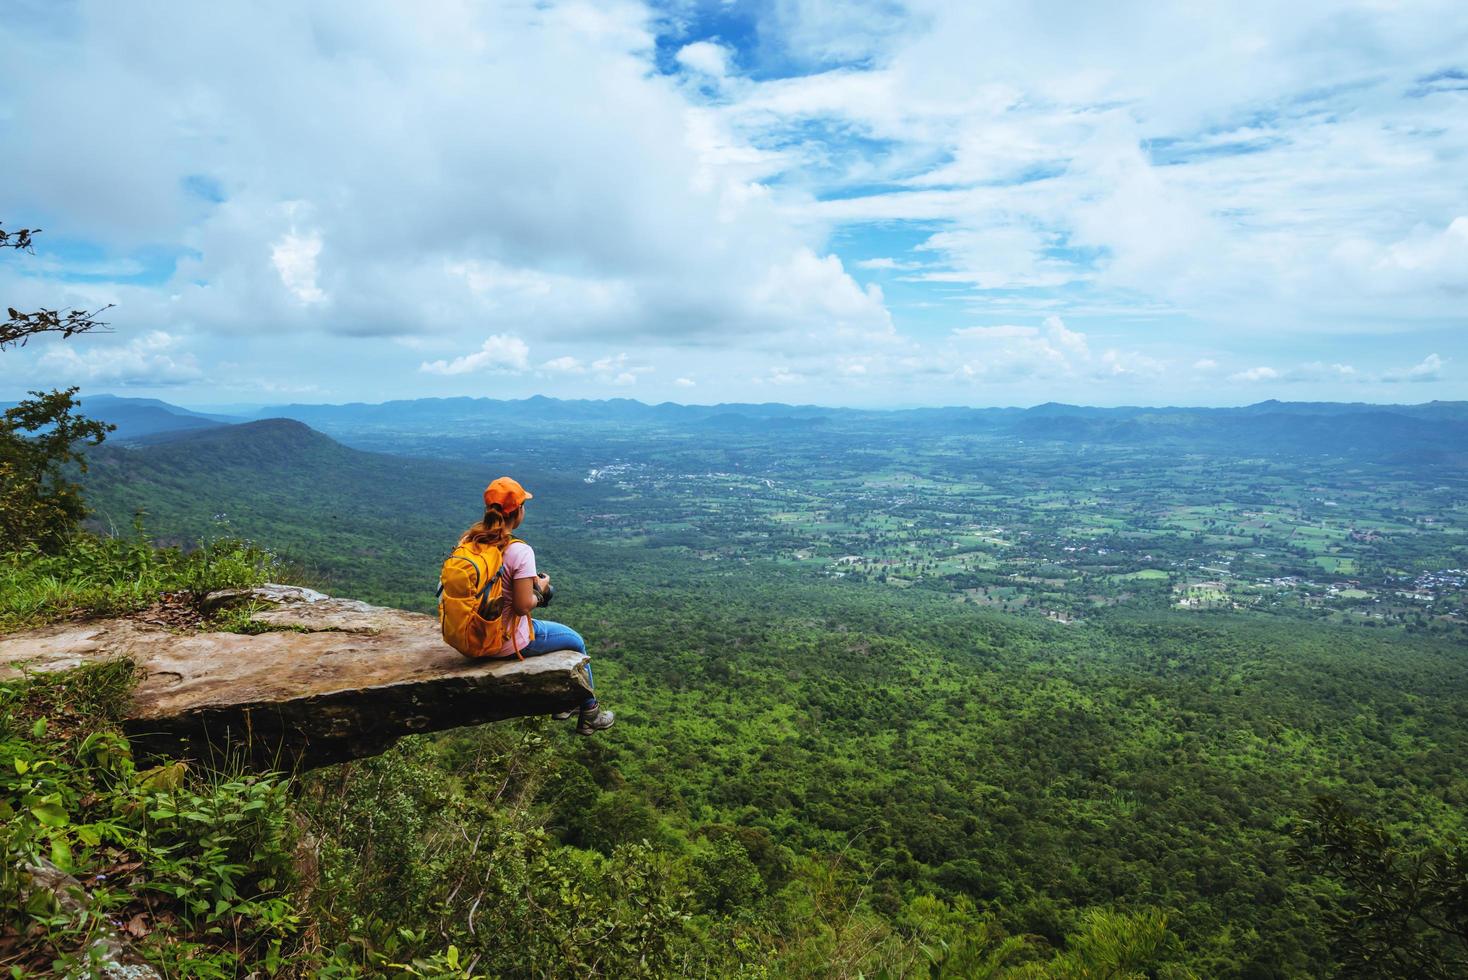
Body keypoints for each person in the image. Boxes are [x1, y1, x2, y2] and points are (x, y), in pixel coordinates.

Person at [460, 476, 613, 735]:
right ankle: (589, 712)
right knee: (575, 641)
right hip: (504, 642)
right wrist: (540, 591)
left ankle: (567, 706)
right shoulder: (519, 551)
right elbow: (522, 606)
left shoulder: (469, 541)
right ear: (518, 511)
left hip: (470, 636)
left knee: (565, 639)